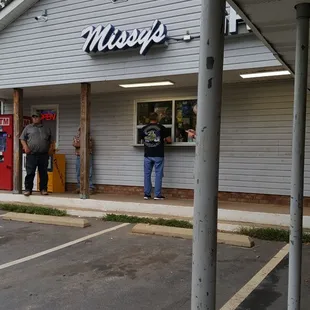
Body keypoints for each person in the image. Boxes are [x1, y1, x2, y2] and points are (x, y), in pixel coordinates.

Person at [20, 112, 53, 196]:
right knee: (30, 172)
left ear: (40, 118)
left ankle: (43, 189)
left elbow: (51, 141)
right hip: (31, 154)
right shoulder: (28, 128)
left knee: (43, 173)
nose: (34, 118)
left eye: (36, 117)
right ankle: (28, 189)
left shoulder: (46, 128)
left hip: (44, 154)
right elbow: (22, 139)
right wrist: (25, 147)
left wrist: (50, 149)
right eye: (33, 117)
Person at [140, 112, 172, 200]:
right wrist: (164, 139)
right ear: (157, 118)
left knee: (147, 175)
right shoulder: (162, 128)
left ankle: (147, 194)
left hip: (147, 155)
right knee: (158, 174)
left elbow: (143, 139)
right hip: (158, 154)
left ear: (149, 119)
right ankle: (157, 195)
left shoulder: (143, 128)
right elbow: (169, 140)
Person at [72, 127, 95, 194]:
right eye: (80, 130)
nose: (81, 132)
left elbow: (90, 145)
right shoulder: (76, 137)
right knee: (78, 171)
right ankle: (80, 187)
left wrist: (80, 143)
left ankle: (90, 187)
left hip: (88, 156)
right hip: (79, 156)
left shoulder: (89, 137)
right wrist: (83, 143)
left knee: (89, 172)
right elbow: (75, 144)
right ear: (78, 131)